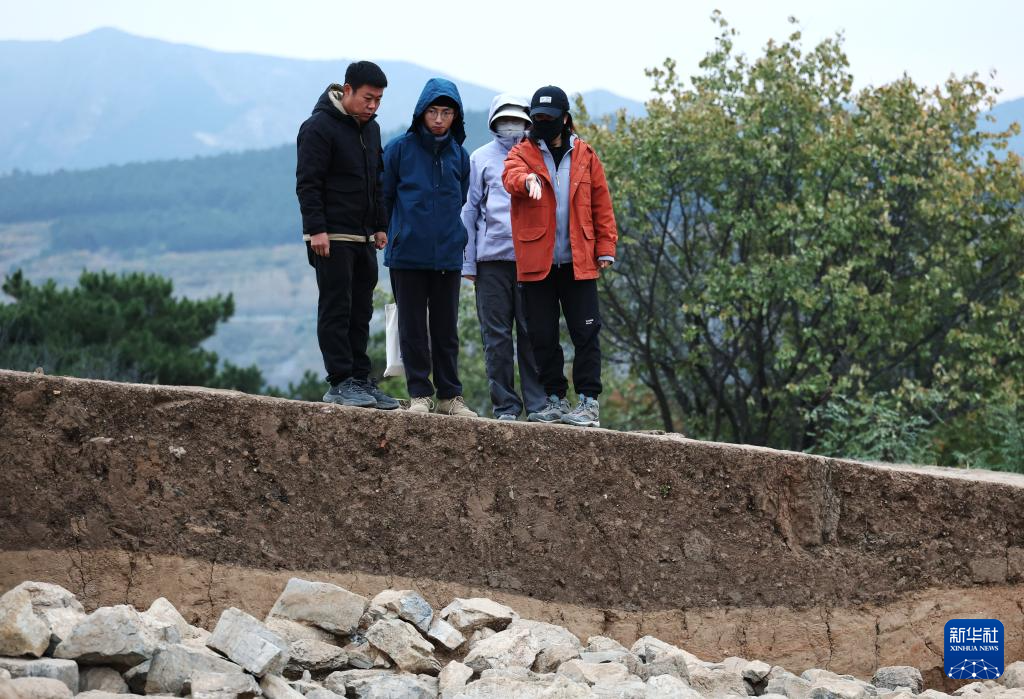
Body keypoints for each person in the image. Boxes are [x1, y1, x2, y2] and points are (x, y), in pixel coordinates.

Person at [502, 86, 618, 428]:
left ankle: (588, 402)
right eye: (536, 117)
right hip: (537, 262)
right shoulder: (521, 153)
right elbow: (510, 176)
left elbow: (601, 203)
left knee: (586, 333)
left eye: (548, 118)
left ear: (564, 119)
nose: (542, 122)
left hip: (578, 262)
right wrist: (526, 180)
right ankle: (554, 400)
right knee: (542, 335)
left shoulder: (585, 154)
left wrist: (606, 246)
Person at [295, 62, 399, 410]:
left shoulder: (372, 129)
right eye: (368, 98)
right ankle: (340, 381)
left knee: (361, 311)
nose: (373, 105)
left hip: (364, 236)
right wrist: (316, 229)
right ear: (347, 90)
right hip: (331, 236)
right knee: (336, 308)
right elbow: (308, 183)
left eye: (378, 100)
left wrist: (380, 224)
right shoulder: (318, 127)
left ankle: (360, 378)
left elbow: (377, 181)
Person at [382, 78, 476, 417]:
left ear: (456, 116)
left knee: (446, 329)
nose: (439, 119)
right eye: (433, 111)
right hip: (407, 253)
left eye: (446, 113)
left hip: (448, 254)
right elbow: (385, 197)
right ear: (421, 112)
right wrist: (392, 234)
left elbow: (460, 199)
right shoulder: (399, 149)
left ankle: (451, 396)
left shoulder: (460, 156)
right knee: (412, 327)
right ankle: (420, 394)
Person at [461, 94, 546, 421]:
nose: (511, 125)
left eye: (517, 119)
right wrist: (468, 262)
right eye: (504, 119)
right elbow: (469, 211)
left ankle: (538, 405)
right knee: (495, 338)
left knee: (532, 334)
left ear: (528, 121)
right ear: (494, 120)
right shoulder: (480, 158)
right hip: (491, 262)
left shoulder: (538, 156)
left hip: (531, 260)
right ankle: (506, 406)